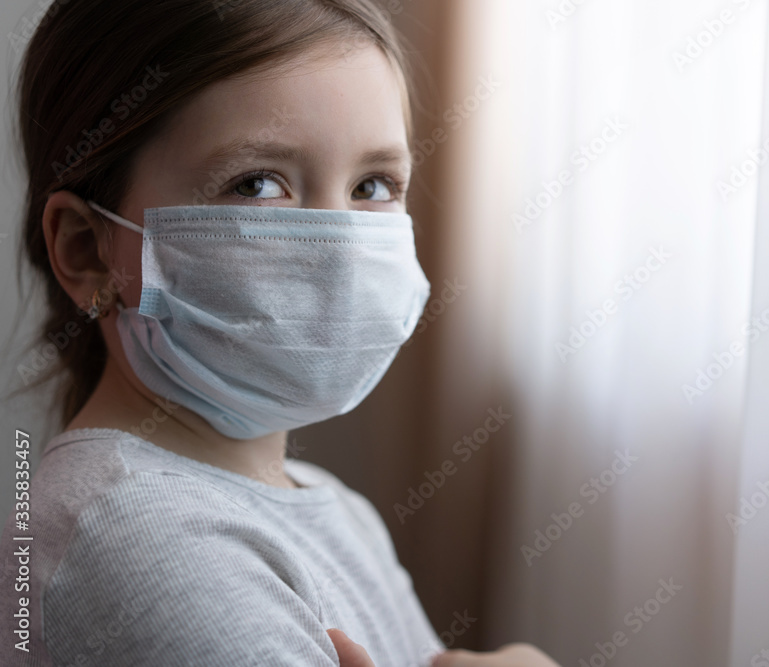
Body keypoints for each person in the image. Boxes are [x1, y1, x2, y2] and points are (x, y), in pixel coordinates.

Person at [1, 1, 559, 664]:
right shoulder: (140, 538)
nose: (338, 250)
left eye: (372, 185)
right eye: (258, 184)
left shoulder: (335, 508)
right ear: (87, 249)